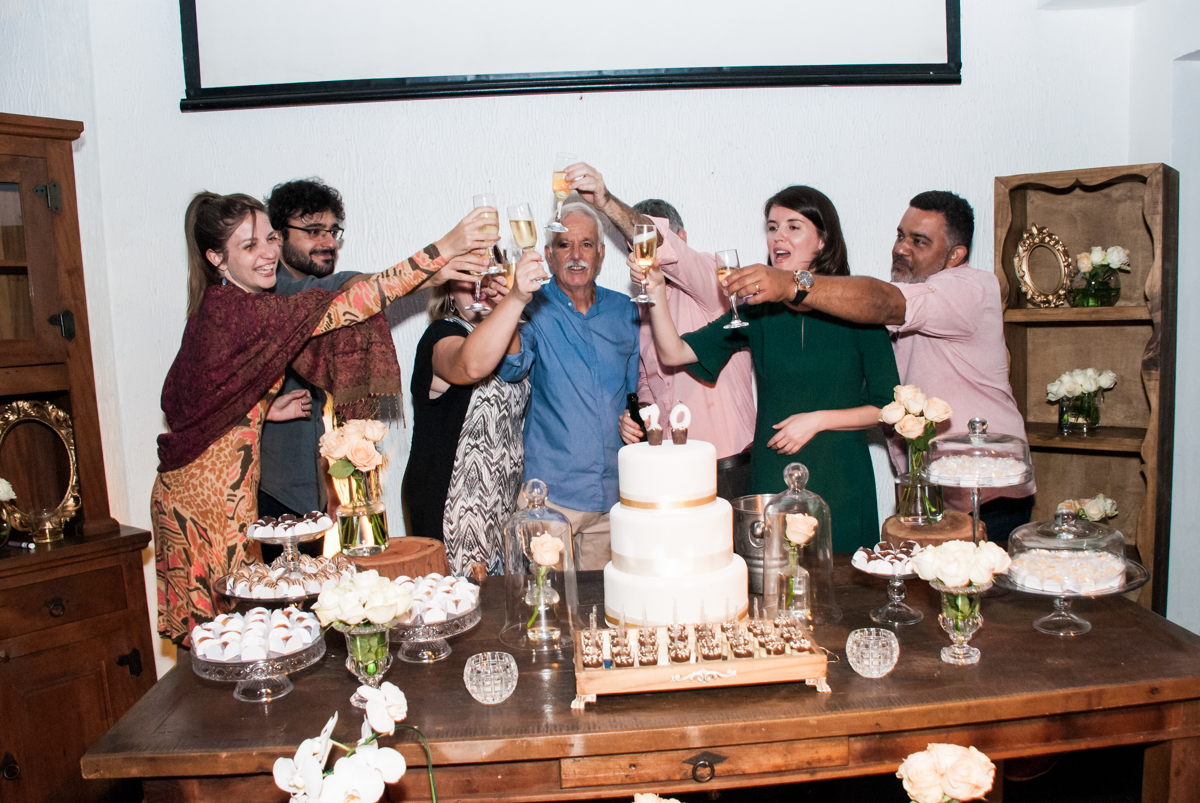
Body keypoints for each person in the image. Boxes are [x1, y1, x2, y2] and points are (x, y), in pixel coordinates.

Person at [152, 191, 495, 645]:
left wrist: (260, 407)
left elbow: (195, 396)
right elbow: (346, 301)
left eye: (269, 238)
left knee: (242, 638)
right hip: (203, 505)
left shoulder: (233, 306)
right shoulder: (237, 312)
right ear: (216, 258)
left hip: (220, 492)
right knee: (222, 642)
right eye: (249, 246)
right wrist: (443, 248)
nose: (268, 253)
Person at [724, 191, 1034, 542]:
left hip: (986, 491)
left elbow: (882, 302)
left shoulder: (969, 288)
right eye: (900, 235)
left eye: (919, 241)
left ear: (955, 255)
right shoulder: (902, 294)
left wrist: (792, 283)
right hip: (929, 490)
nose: (901, 248)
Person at [637, 186, 899, 554]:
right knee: (773, 592)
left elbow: (889, 407)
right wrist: (658, 291)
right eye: (773, 227)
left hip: (840, 475)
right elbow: (675, 351)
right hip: (771, 473)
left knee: (843, 593)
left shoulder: (859, 309)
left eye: (793, 227)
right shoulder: (756, 310)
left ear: (823, 241)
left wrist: (818, 420)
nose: (778, 236)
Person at [561, 163, 756, 499]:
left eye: (644, 245)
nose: (642, 255)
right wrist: (635, 417)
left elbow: (661, 244)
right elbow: (648, 379)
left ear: (681, 241)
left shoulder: (712, 282)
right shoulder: (643, 305)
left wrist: (605, 201)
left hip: (726, 467)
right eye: (633, 247)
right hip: (669, 465)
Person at [499, 201, 639, 570]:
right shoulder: (533, 308)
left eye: (587, 244)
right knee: (548, 610)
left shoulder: (626, 311)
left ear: (601, 253)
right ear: (548, 254)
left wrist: (635, 417)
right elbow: (512, 368)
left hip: (612, 500)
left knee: (602, 613)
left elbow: (634, 392)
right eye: (564, 245)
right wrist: (511, 305)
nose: (576, 255)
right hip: (550, 497)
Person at [402, 251, 549, 575]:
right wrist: (513, 300)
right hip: (454, 506)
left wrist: (507, 308)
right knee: (458, 611)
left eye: (488, 273)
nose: (479, 283)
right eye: (468, 275)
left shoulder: (514, 337)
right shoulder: (440, 335)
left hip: (502, 503)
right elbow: (470, 364)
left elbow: (513, 369)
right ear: (448, 289)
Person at [258, 178, 358, 533]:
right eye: (314, 231)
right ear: (278, 236)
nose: (328, 242)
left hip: (307, 495)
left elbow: (312, 411)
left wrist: (327, 486)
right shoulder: (269, 297)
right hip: (267, 494)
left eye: (333, 231)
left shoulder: (310, 306)